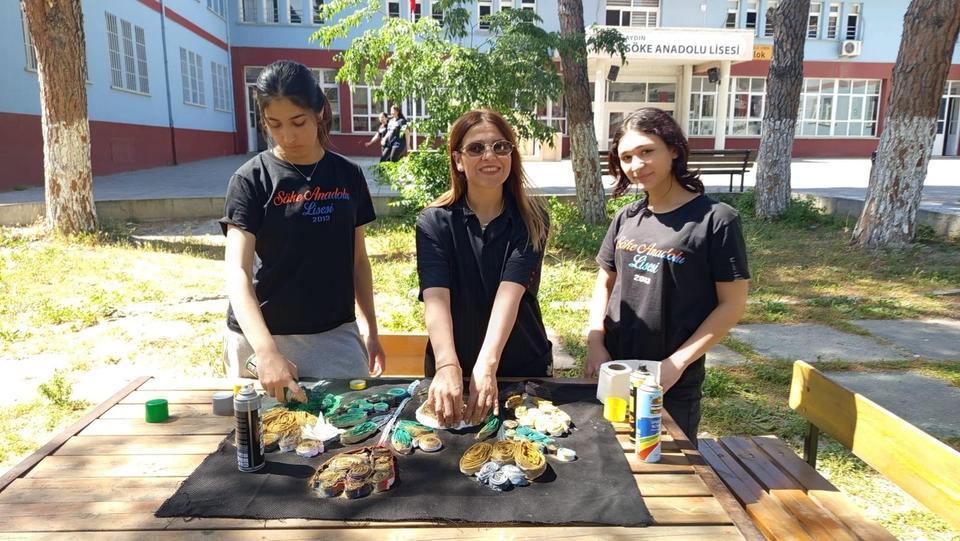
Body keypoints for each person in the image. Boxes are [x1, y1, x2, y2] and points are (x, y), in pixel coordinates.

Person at [220, 60, 386, 403]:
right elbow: (237, 271)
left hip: (333, 335)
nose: (288, 136)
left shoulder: (348, 176)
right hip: (262, 339)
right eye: (274, 125)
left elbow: (357, 261)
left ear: (320, 112)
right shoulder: (251, 179)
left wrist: (369, 329)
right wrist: (265, 351)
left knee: (350, 442)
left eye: (298, 122)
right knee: (263, 446)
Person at [584, 108, 750, 442]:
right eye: (627, 157)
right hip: (615, 368)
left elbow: (731, 306)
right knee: (611, 464)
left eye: (647, 151)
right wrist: (595, 341)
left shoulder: (716, 220)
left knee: (666, 470)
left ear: (673, 149)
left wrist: (677, 363)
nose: (637, 165)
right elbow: (605, 282)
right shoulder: (626, 218)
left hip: (672, 379)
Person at [416, 109, 552, 428]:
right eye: (476, 148)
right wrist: (447, 364)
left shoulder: (533, 219)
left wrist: (487, 366)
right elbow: (435, 298)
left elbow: (510, 293)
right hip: (451, 373)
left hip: (521, 368)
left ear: (511, 155)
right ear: (458, 160)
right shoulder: (433, 222)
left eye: (500, 146)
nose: (489, 155)